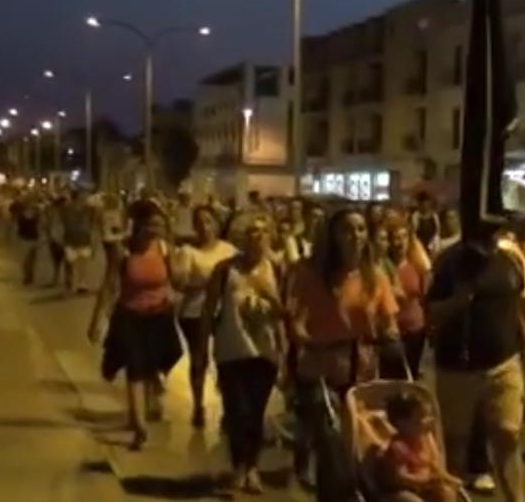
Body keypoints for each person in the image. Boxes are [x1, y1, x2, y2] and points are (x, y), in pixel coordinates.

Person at [425, 225, 525, 502]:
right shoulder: (450, 259)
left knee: (509, 435)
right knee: (456, 444)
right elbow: (431, 310)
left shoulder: (510, 257)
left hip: (504, 363)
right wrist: (458, 301)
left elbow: (519, 300)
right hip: (458, 367)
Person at [288, 209, 400, 491]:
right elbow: (296, 322)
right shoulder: (312, 275)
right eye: (348, 230)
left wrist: (389, 338)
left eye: (361, 229)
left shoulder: (375, 276)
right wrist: (308, 339)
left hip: (362, 373)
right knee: (332, 446)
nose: (355, 237)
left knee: (359, 448)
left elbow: (389, 323)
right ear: (334, 236)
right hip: (322, 372)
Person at [200, 213, 286, 494]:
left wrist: (286, 350)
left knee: (256, 413)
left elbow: (286, 313)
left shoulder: (277, 269)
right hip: (232, 349)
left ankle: (252, 467)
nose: (257, 237)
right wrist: (202, 347)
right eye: (251, 232)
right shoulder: (225, 270)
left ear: (270, 237)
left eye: (262, 232)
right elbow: (209, 308)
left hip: (265, 352)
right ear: (241, 237)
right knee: (237, 411)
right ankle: (239, 466)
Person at [87, 200, 184, 450]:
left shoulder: (164, 248)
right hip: (130, 316)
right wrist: (97, 319)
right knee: (135, 368)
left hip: (160, 316)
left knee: (163, 358)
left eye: (159, 225)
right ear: (139, 226)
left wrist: (178, 264)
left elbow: (178, 281)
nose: (155, 230)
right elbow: (109, 285)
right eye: (151, 225)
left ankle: (155, 385)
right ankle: (139, 424)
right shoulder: (124, 251)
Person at [171, 204, 239, 428]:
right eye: (199, 222)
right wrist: (203, 284)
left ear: (217, 223)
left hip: (224, 311)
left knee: (228, 360)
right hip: (194, 312)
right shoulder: (188, 252)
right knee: (199, 359)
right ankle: (198, 405)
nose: (204, 227)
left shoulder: (229, 251)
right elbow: (179, 283)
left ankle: (230, 408)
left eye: (208, 221)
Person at [362, 394, 462, 502]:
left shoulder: (425, 440)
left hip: (423, 487)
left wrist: (445, 478)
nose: (427, 421)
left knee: (446, 493)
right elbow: (399, 478)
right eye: (420, 418)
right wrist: (425, 481)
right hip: (399, 490)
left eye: (427, 416)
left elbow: (433, 465)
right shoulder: (398, 447)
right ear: (402, 424)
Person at [381, 219, 429, 380]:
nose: (400, 242)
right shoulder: (381, 267)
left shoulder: (417, 265)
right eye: (395, 238)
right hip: (390, 332)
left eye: (404, 237)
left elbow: (425, 296)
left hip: (415, 329)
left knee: (411, 376)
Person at [61, 189, 99, 294]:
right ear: (77, 197)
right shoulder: (66, 208)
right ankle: (69, 283)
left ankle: (82, 284)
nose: (85, 198)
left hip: (84, 238)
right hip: (70, 238)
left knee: (83, 263)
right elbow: (63, 222)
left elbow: (93, 225)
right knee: (69, 263)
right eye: (83, 196)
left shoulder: (90, 209)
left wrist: (93, 240)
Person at [17, 196, 43, 285]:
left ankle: (30, 275)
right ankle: (27, 276)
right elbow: (19, 227)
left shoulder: (37, 214)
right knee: (26, 260)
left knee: (32, 260)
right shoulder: (21, 215)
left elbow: (40, 226)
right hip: (25, 239)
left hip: (34, 238)